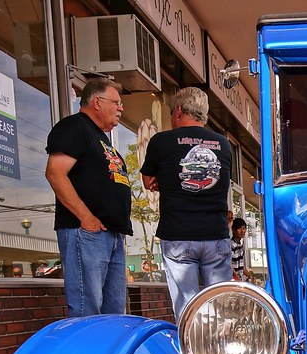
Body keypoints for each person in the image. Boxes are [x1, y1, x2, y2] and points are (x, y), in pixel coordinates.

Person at [141, 87, 233, 318]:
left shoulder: (161, 141)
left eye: (172, 111)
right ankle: (219, 341)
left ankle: (189, 341)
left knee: (188, 309)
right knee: (220, 306)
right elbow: (222, 180)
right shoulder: (223, 144)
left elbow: (148, 181)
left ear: (179, 110)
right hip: (216, 234)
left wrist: (165, 179)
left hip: (178, 235)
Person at [45, 78, 132, 316]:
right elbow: (55, 173)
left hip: (110, 235)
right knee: (87, 310)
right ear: (97, 102)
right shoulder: (74, 127)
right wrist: (86, 217)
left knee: (114, 312)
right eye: (116, 102)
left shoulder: (100, 138)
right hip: (86, 233)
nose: (121, 108)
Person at [229, 211, 253, 282]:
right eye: (239, 229)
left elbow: (241, 267)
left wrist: (250, 275)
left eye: (244, 228)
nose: (242, 231)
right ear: (233, 230)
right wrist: (238, 280)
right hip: (233, 281)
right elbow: (229, 265)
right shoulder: (231, 245)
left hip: (240, 279)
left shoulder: (240, 245)